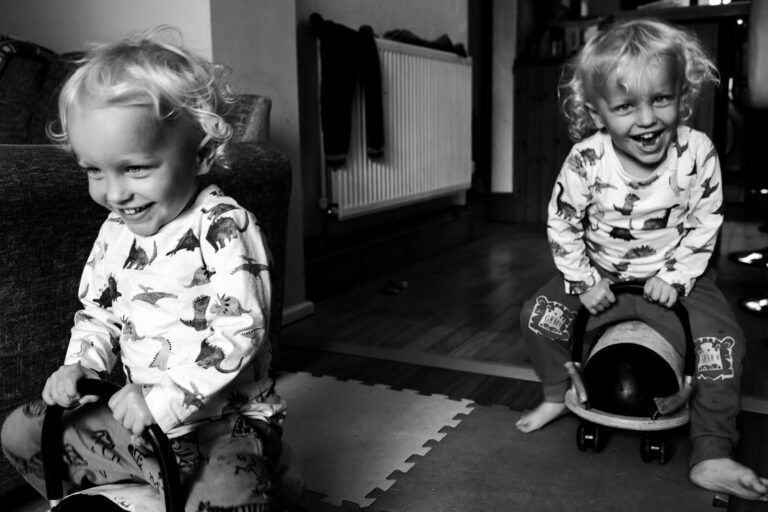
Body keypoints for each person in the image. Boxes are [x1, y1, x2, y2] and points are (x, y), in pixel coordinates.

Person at [0, 28, 293, 511]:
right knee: (22, 432)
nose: (114, 195)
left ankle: (263, 474)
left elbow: (243, 327)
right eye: (94, 170)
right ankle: (143, 488)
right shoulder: (116, 228)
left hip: (222, 424)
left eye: (135, 169)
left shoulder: (223, 223)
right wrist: (82, 365)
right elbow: (98, 314)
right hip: (141, 424)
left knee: (230, 496)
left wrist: (163, 400)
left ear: (199, 155)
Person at [516, 18, 768, 501]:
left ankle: (712, 450)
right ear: (597, 112)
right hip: (601, 277)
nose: (647, 119)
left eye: (661, 99)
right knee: (537, 316)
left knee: (723, 342)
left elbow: (705, 221)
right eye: (626, 106)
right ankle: (556, 395)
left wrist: (675, 276)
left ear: (682, 95)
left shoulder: (698, 153)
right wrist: (584, 280)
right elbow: (562, 223)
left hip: (677, 279)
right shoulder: (586, 161)